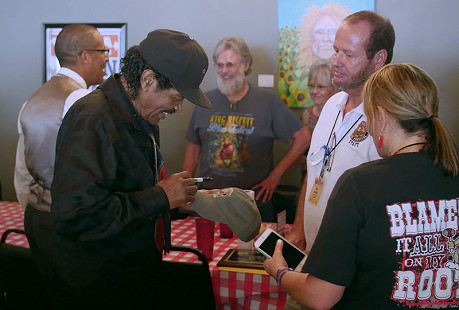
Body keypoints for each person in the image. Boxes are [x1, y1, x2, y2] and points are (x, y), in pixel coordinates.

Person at [264, 62, 459, 309]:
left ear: (380, 116)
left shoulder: (360, 185)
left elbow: (320, 296)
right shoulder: (451, 171)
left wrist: (280, 272)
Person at [50, 29, 210, 309]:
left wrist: (176, 204)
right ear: (148, 80)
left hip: (135, 278)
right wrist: (161, 197)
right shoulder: (91, 119)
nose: (179, 108)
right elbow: (77, 217)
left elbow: (131, 194)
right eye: (176, 97)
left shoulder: (141, 116)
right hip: (99, 288)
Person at [13, 23, 108, 304]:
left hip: (39, 217)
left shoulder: (33, 99)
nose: (107, 56)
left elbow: (21, 170)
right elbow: (100, 170)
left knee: (51, 297)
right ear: (85, 56)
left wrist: (34, 209)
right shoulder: (85, 100)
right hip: (75, 222)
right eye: (103, 50)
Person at [287, 11, 395, 252]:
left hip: (356, 263)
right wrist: (299, 229)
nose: (335, 61)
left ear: (378, 59)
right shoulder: (331, 106)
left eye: (348, 54)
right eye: (336, 50)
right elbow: (316, 171)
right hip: (316, 253)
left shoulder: (389, 120)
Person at [184, 36, 310, 222]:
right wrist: (186, 188)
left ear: (245, 64)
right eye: (220, 65)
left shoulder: (268, 102)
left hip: (253, 206)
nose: (224, 70)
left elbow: (304, 137)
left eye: (230, 64)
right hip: (209, 203)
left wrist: (276, 175)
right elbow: (194, 149)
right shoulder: (205, 101)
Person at [300, 61, 337, 177]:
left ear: (334, 88)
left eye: (321, 87)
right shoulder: (306, 115)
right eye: (312, 86)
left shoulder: (339, 115)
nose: (314, 91)